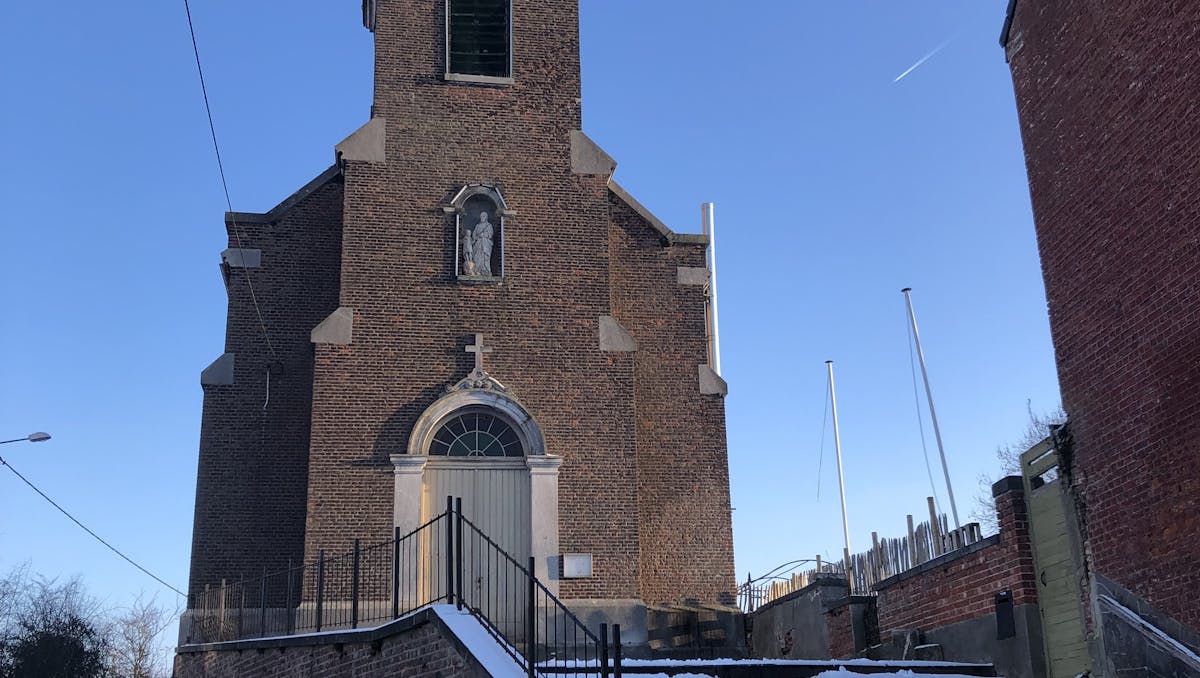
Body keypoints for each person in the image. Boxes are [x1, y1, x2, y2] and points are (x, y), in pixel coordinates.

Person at [465, 211, 494, 276]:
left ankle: (485, 270)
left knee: (485, 257)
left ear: (486, 217)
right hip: (478, 243)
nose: (482, 218)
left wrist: (483, 235)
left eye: (483, 216)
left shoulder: (489, 225)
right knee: (476, 257)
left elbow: (490, 234)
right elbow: (474, 234)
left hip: (485, 244)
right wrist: (476, 237)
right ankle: (477, 270)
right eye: (481, 216)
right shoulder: (477, 225)